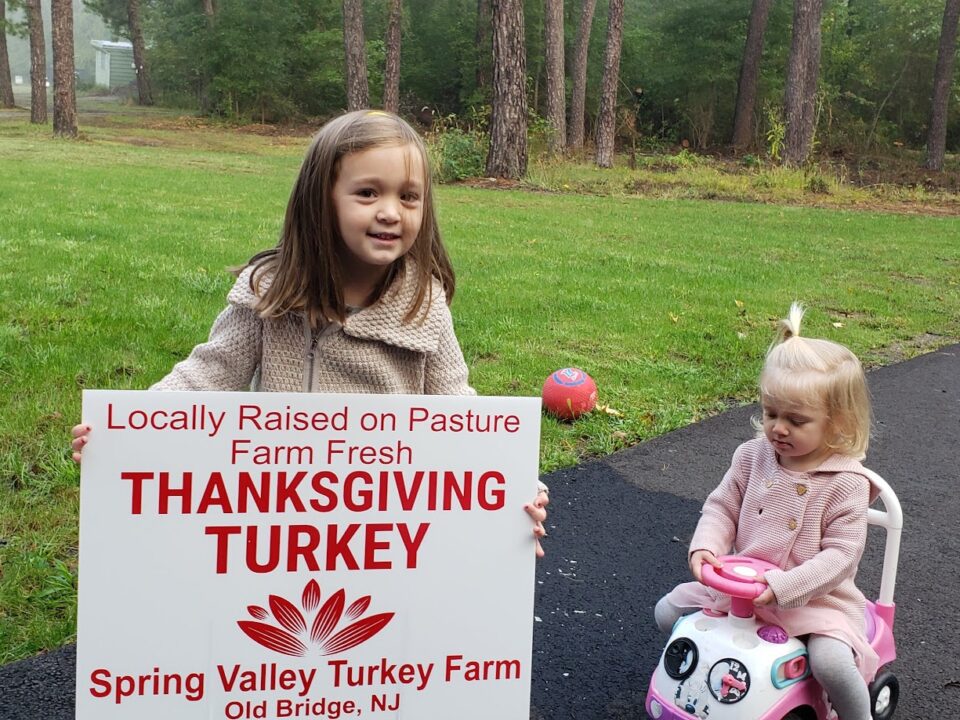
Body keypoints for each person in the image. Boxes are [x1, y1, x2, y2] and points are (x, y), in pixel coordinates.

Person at [72, 109, 549, 554]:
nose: (390, 212)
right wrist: (124, 431)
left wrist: (513, 482)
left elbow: (456, 409)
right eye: (368, 193)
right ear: (321, 199)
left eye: (408, 196)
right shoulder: (271, 293)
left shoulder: (423, 305)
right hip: (280, 522)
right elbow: (206, 376)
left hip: (387, 525)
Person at [654, 303, 878, 720]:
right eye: (771, 413)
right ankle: (711, 689)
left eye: (796, 420)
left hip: (813, 599)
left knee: (831, 662)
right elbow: (722, 506)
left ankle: (855, 715)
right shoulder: (752, 456)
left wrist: (783, 586)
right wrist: (705, 549)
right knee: (667, 612)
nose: (778, 428)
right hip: (741, 589)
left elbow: (840, 558)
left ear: (837, 422)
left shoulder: (846, 481)